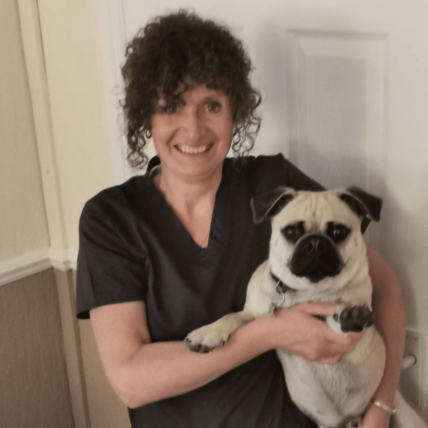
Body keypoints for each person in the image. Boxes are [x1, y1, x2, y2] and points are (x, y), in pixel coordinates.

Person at [76, 10, 405, 428]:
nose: (193, 128)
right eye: (171, 107)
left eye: (211, 105)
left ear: (236, 110)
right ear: (146, 116)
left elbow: (386, 288)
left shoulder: (274, 182)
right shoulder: (112, 219)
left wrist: (380, 409)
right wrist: (268, 332)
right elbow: (131, 379)